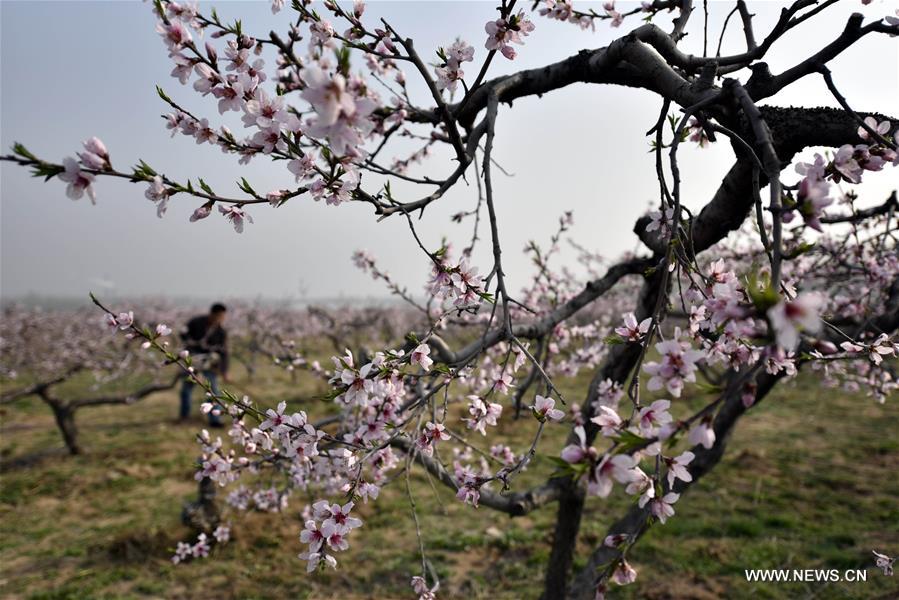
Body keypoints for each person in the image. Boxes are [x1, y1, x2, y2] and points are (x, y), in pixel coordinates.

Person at [179, 303, 229, 426]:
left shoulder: (221, 332)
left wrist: (224, 371)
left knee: (213, 391)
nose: (221, 319)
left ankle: (215, 420)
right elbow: (183, 332)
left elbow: (224, 352)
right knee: (186, 389)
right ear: (212, 314)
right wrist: (189, 341)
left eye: (223, 316)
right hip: (193, 361)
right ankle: (184, 416)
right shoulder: (196, 322)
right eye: (219, 316)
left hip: (209, 365)